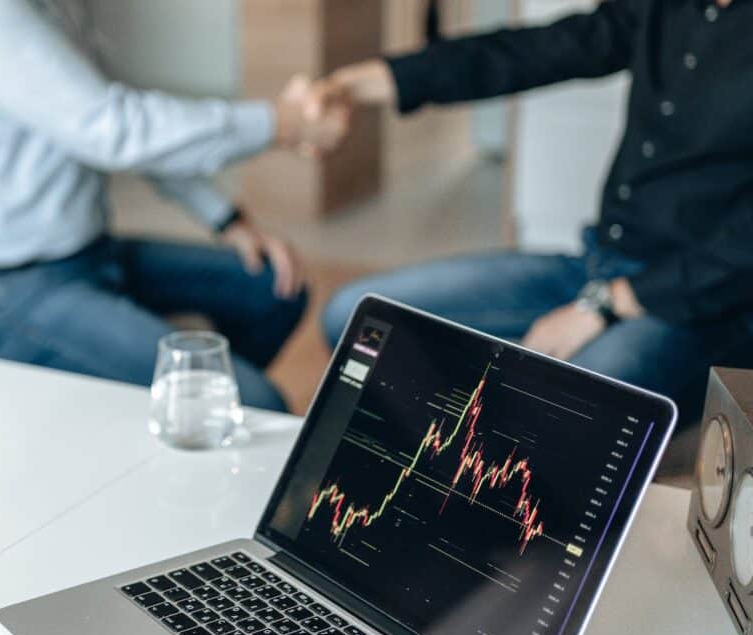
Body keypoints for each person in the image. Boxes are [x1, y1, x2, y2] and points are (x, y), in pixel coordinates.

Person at [0, 0, 347, 412]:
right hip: (13, 290)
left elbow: (115, 115)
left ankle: (167, 424)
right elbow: (109, 128)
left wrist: (225, 218)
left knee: (273, 287)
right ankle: (185, 416)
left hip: (93, 254)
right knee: (257, 403)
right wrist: (281, 124)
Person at [315, 0, 753, 422]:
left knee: (555, 409)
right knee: (356, 318)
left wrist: (605, 306)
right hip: (597, 266)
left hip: (695, 304)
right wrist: (359, 83)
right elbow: (532, 51)